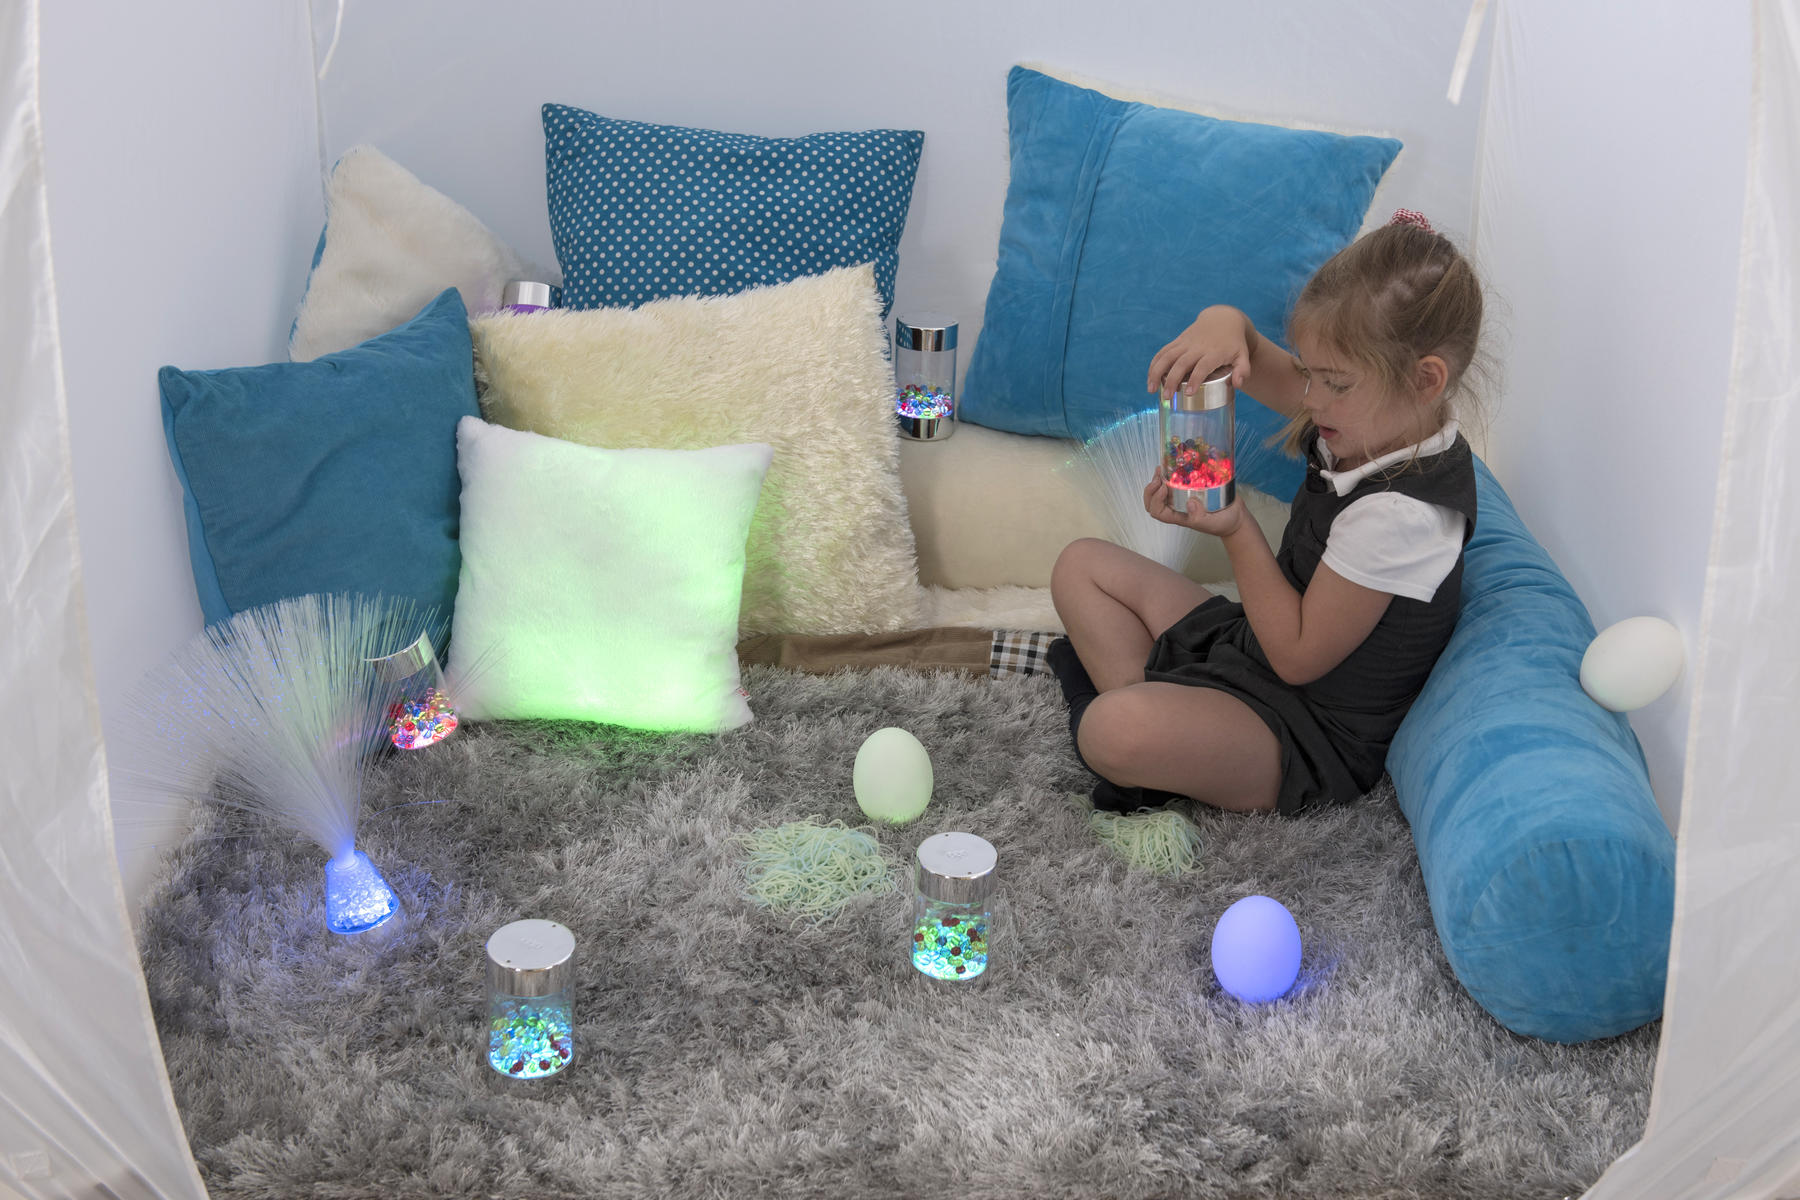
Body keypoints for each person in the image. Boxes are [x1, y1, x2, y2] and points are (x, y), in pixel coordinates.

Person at [1047, 211, 1484, 817]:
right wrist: (1224, 323)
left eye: (1334, 383)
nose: (1310, 399)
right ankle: (1169, 730)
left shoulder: (1402, 516)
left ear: (1424, 380)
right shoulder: (1377, 419)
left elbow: (1298, 658)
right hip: (1252, 646)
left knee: (1109, 730)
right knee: (1080, 564)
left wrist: (1236, 529)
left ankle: (1144, 729)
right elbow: (1250, 348)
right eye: (1310, 374)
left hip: (1305, 730)